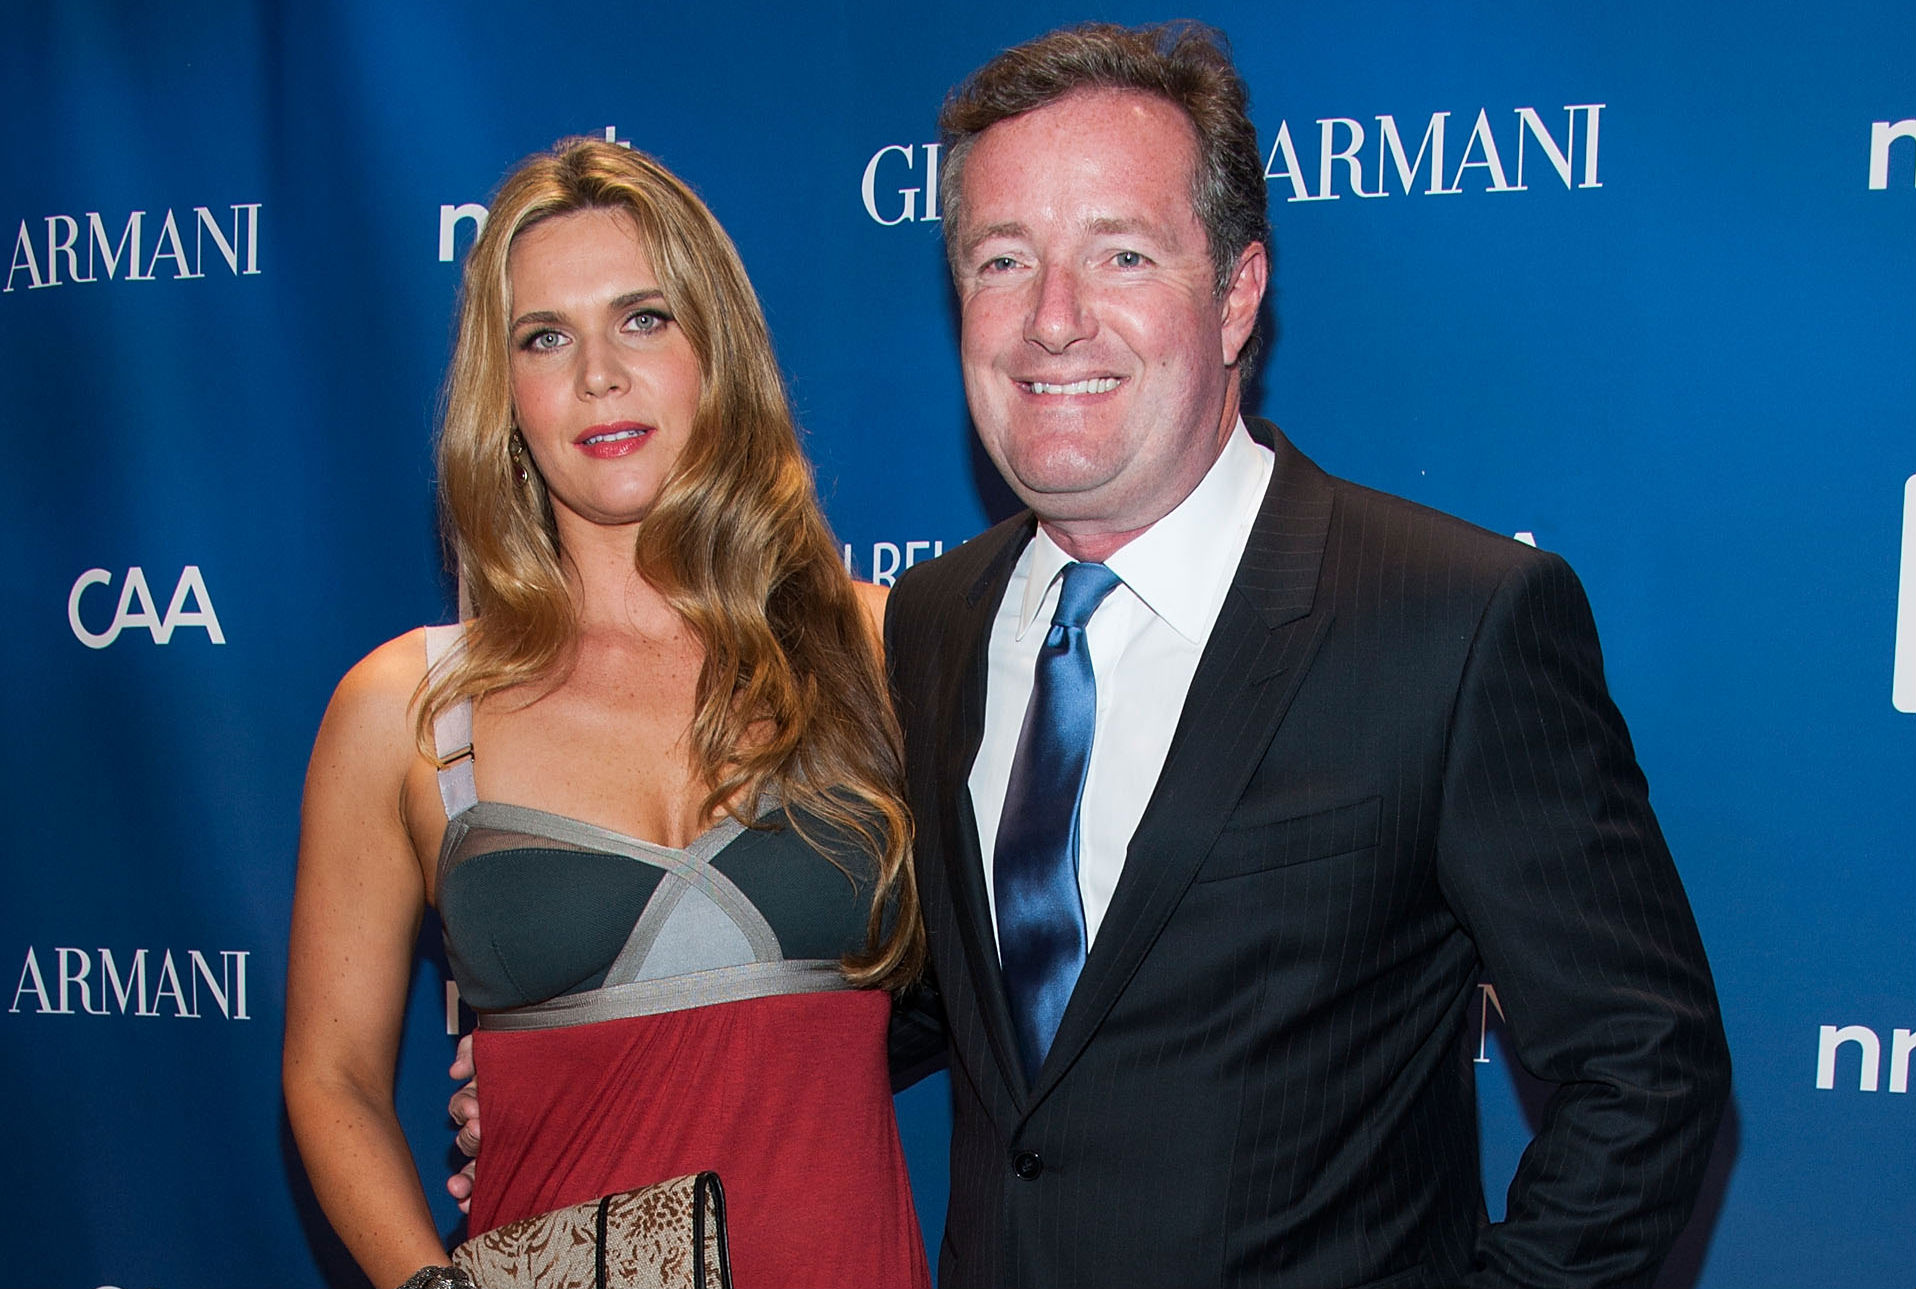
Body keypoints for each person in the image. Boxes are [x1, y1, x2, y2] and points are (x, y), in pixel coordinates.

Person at [881, 21, 1732, 1289]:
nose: (1052, 320)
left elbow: (1646, 1067)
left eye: (1121, 253)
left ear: (1235, 295)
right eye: (1002, 260)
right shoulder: (935, 619)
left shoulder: (1452, 622)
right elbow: (952, 1001)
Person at [283, 137, 930, 1289]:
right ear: (503, 394)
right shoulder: (410, 712)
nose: (597, 376)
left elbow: (1024, 984)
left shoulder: (879, 651)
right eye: (544, 337)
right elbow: (329, 1077)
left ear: (715, 351)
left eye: (642, 318)